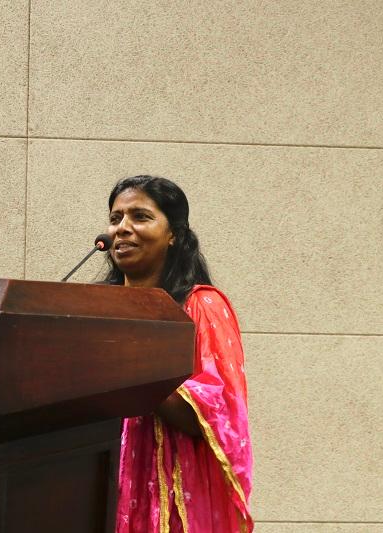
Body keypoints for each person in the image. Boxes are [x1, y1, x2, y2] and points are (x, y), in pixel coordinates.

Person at [105, 175, 253, 533]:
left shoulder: (200, 305)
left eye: (140, 217)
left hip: (173, 495)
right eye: (115, 219)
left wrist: (126, 364)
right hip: (99, 483)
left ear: (174, 234)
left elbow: (210, 411)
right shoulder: (96, 308)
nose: (123, 228)